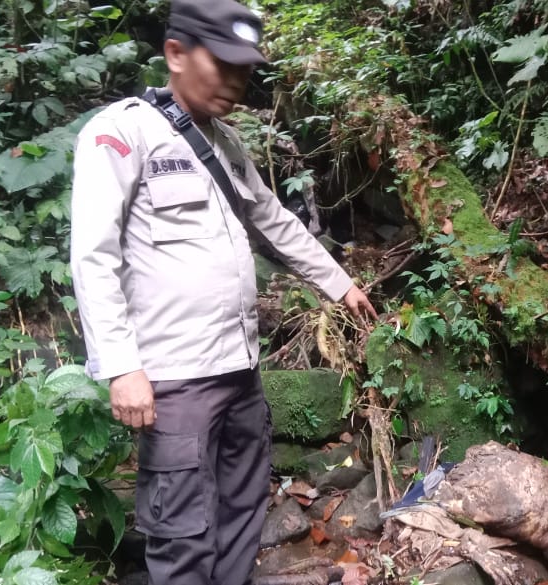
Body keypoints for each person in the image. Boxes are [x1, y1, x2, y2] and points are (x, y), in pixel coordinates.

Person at [68, 0, 377, 583]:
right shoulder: (121, 132)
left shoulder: (227, 143)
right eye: (224, 65)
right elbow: (93, 253)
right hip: (174, 376)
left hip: (240, 369)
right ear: (177, 54)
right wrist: (121, 366)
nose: (237, 83)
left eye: (245, 69)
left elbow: (275, 221)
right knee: (180, 531)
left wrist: (339, 283)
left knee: (241, 511)